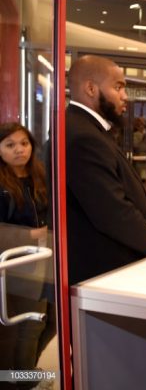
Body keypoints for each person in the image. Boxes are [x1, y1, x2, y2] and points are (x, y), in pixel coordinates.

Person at [66, 55, 146, 285]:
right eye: (118, 87)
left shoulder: (90, 129)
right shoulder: (83, 136)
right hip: (102, 268)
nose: (125, 96)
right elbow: (110, 208)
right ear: (91, 88)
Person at [0, 123, 54, 383]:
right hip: (16, 264)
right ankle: (22, 379)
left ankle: (26, 372)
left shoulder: (39, 175)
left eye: (24, 143)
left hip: (45, 259)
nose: (19, 150)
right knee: (29, 326)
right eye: (10, 145)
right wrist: (31, 235)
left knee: (51, 322)